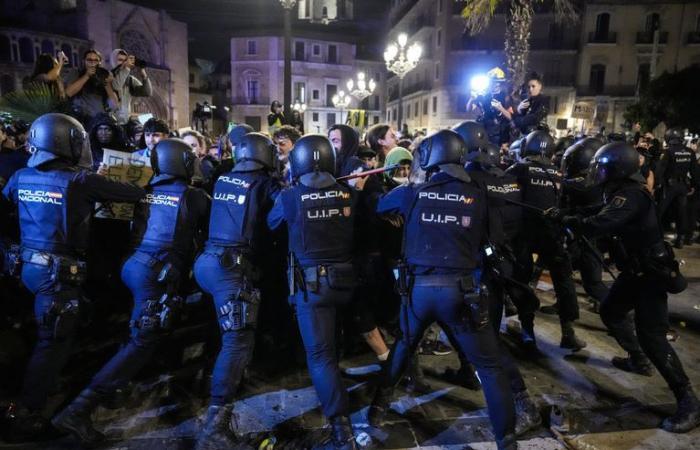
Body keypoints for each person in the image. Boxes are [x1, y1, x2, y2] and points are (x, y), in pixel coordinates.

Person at [51, 138, 210, 445]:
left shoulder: (146, 192)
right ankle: (79, 409)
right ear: (185, 164)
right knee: (143, 338)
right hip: (156, 272)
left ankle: (122, 385)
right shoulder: (193, 196)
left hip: (133, 266)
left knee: (143, 333)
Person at [368, 129, 517, 450]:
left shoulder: (414, 192)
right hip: (462, 293)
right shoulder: (479, 195)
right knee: (489, 367)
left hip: (419, 293)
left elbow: (381, 207)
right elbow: (494, 243)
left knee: (403, 348)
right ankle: (507, 440)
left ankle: (377, 410)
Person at [0, 113, 145, 440]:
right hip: (59, 275)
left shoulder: (21, 176)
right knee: (52, 342)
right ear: (69, 142)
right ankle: (28, 413)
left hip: (27, 269)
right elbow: (133, 194)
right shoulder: (80, 181)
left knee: (53, 333)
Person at [560, 142, 700, 433]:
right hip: (635, 272)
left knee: (654, 338)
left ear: (618, 170)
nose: (597, 173)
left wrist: (569, 220)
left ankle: (689, 401)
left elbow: (600, 223)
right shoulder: (622, 192)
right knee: (611, 311)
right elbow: (601, 209)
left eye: (602, 168)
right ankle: (638, 359)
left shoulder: (632, 196)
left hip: (650, 276)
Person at [267, 135, 361, 450]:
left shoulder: (291, 196)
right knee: (334, 348)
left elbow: (271, 224)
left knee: (320, 356)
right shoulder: (348, 192)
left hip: (313, 287)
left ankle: (341, 430)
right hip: (347, 282)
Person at [193, 133, 281, 450]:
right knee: (237, 341)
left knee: (220, 332)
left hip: (207, 262)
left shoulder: (223, 179)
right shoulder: (266, 185)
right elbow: (275, 224)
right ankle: (214, 426)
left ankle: (213, 384)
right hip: (233, 268)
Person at [454, 120, 542, 434]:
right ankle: (472, 372)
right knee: (484, 335)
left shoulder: (470, 181)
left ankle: (522, 403)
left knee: (488, 340)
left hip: (478, 271)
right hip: (499, 268)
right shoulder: (506, 179)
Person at [506, 130, 586, 352]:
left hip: (523, 234)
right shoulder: (559, 174)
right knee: (564, 282)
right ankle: (568, 333)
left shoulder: (519, 168)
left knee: (522, 281)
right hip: (552, 235)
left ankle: (527, 333)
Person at [558, 138, 609, 312]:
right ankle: (565, 305)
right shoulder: (600, 180)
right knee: (565, 273)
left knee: (592, 284)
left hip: (584, 238)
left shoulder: (577, 185)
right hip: (590, 235)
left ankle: (620, 313)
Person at [655, 128, 699, 248]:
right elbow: (695, 172)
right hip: (683, 187)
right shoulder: (690, 152)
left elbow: (660, 170)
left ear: (668, 139)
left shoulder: (668, 152)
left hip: (669, 187)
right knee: (681, 213)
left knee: (659, 211)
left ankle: (655, 238)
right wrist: (694, 186)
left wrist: (657, 184)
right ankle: (680, 239)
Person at [65, 49, 119, 126]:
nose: (92, 63)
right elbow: (68, 93)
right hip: (79, 120)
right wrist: (87, 75)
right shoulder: (76, 72)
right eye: (89, 60)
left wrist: (106, 83)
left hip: (98, 122)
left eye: (96, 60)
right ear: (84, 61)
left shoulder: (105, 74)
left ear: (100, 62)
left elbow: (114, 105)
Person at [467, 67, 514, 146]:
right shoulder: (484, 95)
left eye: (497, 82)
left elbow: (511, 117)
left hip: (499, 135)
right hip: (483, 132)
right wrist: (471, 99)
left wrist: (501, 108)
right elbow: (469, 109)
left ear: (500, 83)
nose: (494, 84)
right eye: (492, 82)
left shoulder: (506, 97)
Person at [109, 49, 153, 124]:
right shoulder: (107, 75)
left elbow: (147, 92)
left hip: (125, 121)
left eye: (125, 60)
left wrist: (143, 73)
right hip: (109, 121)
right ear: (113, 61)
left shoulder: (129, 79)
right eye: (120, 60)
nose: (123, 63)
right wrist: (126, 68)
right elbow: (116, 86)